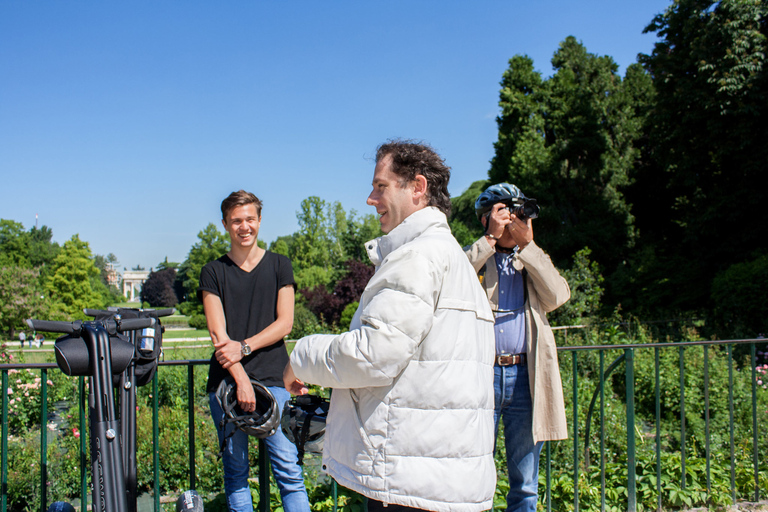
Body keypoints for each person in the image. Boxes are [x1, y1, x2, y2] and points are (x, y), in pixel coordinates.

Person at [284, 140, 497, 512]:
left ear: (417, 187)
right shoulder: (452, 258)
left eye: (381, 186)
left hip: (409, 481)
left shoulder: (416, 255)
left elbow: (374, 355)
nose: (370, 198)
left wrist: (301, 355)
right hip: (445, 479)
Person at [198, 190, 309, 512]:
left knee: (290, 473)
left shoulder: (279, 265)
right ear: (224, 224)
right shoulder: (213, 272)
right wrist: (242, 380)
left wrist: (245, 346)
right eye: (236, 221)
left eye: (249, 219)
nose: (243, 226)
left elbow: (284, 323)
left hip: (276, 380)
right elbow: (219, 335)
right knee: (235, 475)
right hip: (227, 386)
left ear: (259, 221)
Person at [464, 183, 570, 512]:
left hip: (526, 377)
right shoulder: (475, 260)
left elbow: (558, 296)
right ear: (486, 219)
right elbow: (450, 282)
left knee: (525, 483)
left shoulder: (530, 259)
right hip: (481, 377)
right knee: (471, 474)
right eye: (505, 212)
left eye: (518, 211)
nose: (515, 219)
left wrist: (530, 246)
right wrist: (490, 240)